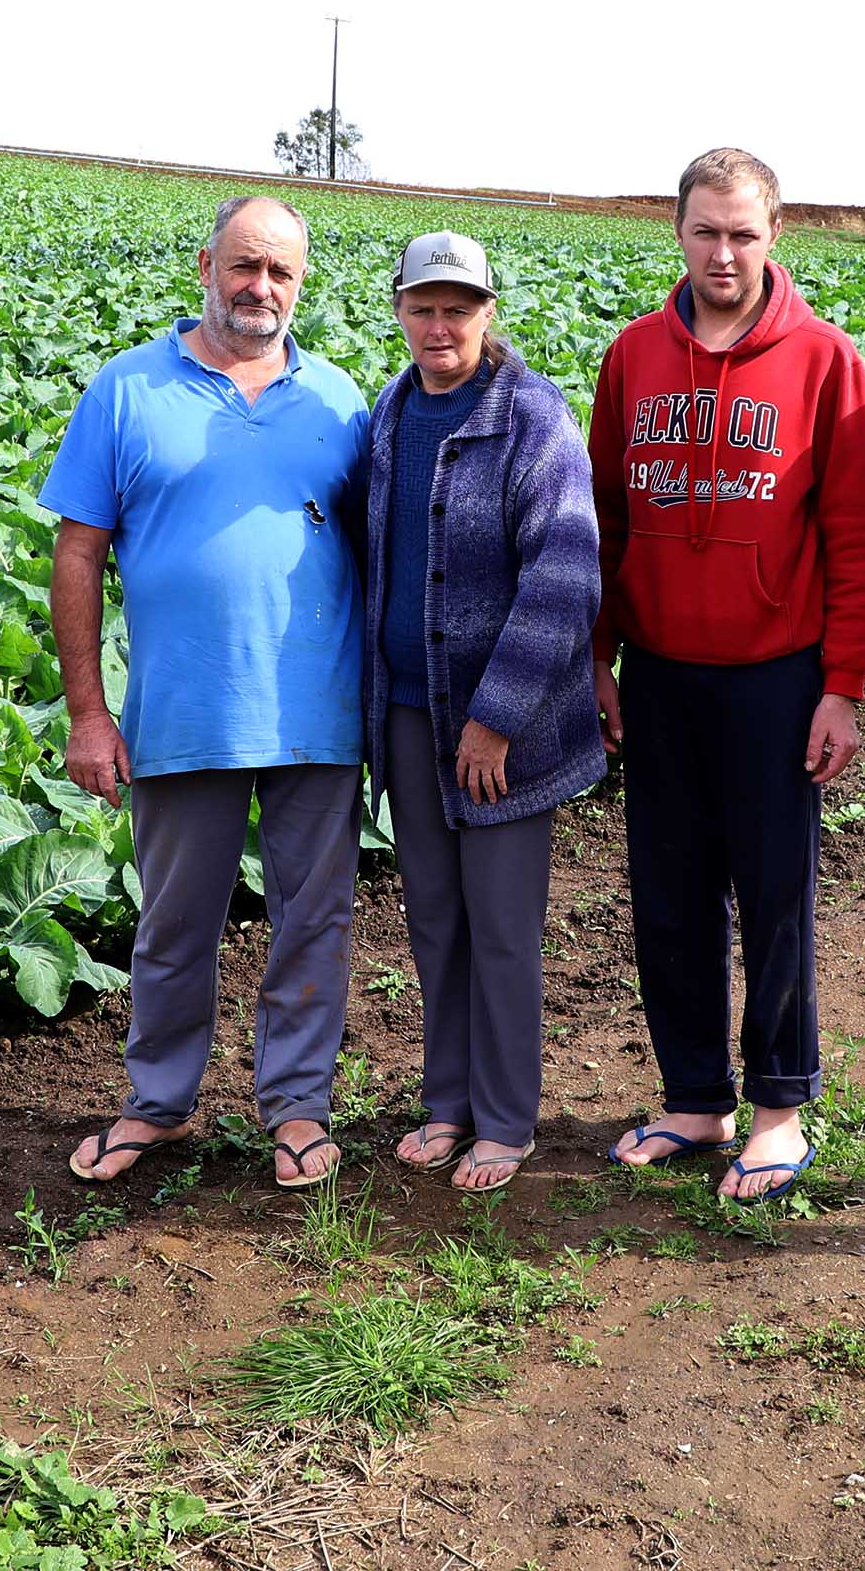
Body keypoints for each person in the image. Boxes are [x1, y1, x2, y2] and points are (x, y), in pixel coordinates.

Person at [40, 195, 370, 1192]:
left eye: (280, 271)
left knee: (313, 921)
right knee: (176, 922)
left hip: (318, 709)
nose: (259, 286)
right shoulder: (128, 389)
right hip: (185, 711)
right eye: (243, 265)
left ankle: (298, 1107)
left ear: (302, 282)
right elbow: (78, 551)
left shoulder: (341, 400)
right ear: (205, 264)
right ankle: (159, 1103)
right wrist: (89, 711)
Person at [590, 147, 865, 1204]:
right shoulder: (632, 357)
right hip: (662, 672)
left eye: (744, 233)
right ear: (678, 232)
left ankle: (778, 1108)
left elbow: (854, 536)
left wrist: (842, 682)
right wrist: (599, 658)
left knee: (774, 897)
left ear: (774, 237)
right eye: (707, 231)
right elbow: (610, 525)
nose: (725, 252)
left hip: (776, 675)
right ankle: (693, 1098)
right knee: (667, 893)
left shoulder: (823, 360)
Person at [360, 232, 604, 1195]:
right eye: (423, 306)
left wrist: (496, 713)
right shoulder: (389, 411)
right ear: (399, 310)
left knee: (501, 925)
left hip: (503, 730)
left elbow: (565, 574)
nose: (440, 325)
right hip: (410, 717)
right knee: (434, 921)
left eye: (458, 307)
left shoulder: (532, 416)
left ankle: (506, 1120)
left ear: (487, 313)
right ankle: (446, 1101)